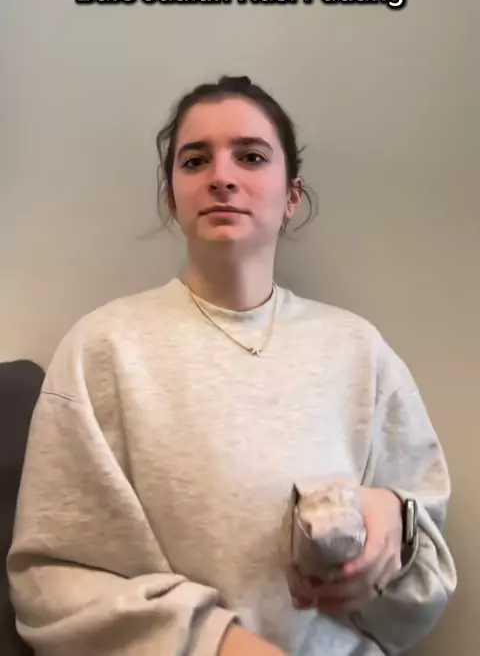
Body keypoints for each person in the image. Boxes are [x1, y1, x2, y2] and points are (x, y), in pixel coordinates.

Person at [7, 75, 457, 656]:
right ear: (172, 197)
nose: (222, 176)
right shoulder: (103, 349)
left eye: (251, 156)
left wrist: (397, 523)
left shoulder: (358, 350)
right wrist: (214, 644)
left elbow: (427, 584)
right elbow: (48, 582)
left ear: (292, 195)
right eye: (195, 161)